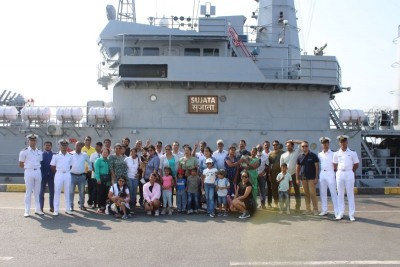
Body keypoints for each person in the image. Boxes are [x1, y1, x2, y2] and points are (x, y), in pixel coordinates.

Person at [333, 135, 359, 222]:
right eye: (341, 142)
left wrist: (350, 171)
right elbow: (334, 164)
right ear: (339, 143)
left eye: (344, 141)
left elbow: (356, 164)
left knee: (350, 194)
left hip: (349, 173)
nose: (343, 143)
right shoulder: (336, 153)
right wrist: (339, 171)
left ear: (347, 142)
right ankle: (340, 213)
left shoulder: (352, 152)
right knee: (340, 194)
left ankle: (351, 214)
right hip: (340, 173)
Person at [19, 134, 43, 217]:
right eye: (31, 140)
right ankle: (27, 211)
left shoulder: (40, 151)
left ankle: (38, 209)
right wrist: (28, 168)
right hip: (29, 172)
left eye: (34, 140)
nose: (33, 142)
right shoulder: (24, 151)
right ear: (28, 141)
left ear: (36, 141)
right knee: (28, 192)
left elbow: (40, 161)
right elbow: (21, 164)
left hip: (38, 172)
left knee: (37, 192)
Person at [50, 139, 73, 216]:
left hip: (67, 174)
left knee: (67, 192)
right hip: (58, 174)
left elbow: (71, 165)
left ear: (67, 146)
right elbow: (52, 166)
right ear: (59, 146)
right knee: (57, 192)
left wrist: (66, 171)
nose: (64, 147)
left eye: (65, 145)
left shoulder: (70, 156)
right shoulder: (55, 155)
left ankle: (68, 209)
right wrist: (57, 172)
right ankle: (56, 210)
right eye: (62, 145)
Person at [296, 141, 319, 215]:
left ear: (308, 146)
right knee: (306, 194)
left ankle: (315, 210)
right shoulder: (299, 157)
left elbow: (317, 167)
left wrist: (316, 177)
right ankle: (308, 209)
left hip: (311, 178)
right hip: (303, 178)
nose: (304, 147)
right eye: (303, 146)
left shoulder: (313, 156)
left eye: (305, 146)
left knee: (313, 194)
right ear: (301, 147)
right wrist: (297, 178)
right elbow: (297, 168)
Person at [280, 139, 303, 213]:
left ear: (293, 146)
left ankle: (297, 207)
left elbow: (302, 142)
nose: (288, 147)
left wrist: (292, 140)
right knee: (286, 192)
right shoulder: (283, 155)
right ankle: (287, 207)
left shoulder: (296, 152)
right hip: (286, 175)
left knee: (297, 191)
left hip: (295, 174)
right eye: (287, 146)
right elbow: (281, 166)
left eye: (289, 145)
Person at [318, 137, 339, 217]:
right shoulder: (320, 154)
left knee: (333, 192)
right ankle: (324, 210)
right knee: (323, 193)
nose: (325, 144)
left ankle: (337, 211)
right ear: (322, 144)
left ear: (328, 144)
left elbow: (336, 163)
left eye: (326, 143)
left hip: (330, 173)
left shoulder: (333, 153)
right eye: (323, 143)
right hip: (322, 173)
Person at [70, 141, 91, 211]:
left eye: (79, 145)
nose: (78, 146)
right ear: (75, 146)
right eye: (77, 145)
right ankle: (70, 205)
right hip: (72, 176)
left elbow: (89, 162)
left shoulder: (84, 154)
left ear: (81, 147)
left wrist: (89, 170)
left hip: (82, 176)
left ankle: (81, 205)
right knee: (71, 192)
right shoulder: (70, 154)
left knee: (82, 192)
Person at [94, 147, 111, 213]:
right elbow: (96, 171)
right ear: (101, 153)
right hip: (100, 179)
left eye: (106, 152)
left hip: (107, 180)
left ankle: (103, 207)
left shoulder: (108, 161)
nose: (105, 153)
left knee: (105, 193)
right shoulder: (98, 160)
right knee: (100, 193)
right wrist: (98, 178)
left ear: (108, 154)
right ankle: (99, 207)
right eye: (104, 152)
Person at [268, 140, 284, 209]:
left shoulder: (283, 153)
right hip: (273, 173)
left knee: (282, 188)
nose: (275, 146)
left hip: (281, 173)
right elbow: (269, 165)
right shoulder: (271, 154)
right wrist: (269, 174)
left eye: (276, 145)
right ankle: (276, 203)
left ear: (278, 145)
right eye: (274, 145)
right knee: (274, 189)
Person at [39, 141, 54, 213]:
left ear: (51, 147)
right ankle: (41, 207)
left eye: (49, 145)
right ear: (44, 146)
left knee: (52, 192)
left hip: (51, 176)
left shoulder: (54, 155)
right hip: (43, 176)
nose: (47, 146)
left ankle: (52, 207)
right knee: (41, 192)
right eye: (46, 145)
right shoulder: (40, 155)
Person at [82, 136, 97, 209]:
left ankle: (90, 202)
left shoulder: (93, 150)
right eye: (86, 140)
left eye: (89, 140)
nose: (88, 141)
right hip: (83, 171)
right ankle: (81, 202)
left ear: (91, 141)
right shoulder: (81, 149)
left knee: (91, 188)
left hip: (90, 171)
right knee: (82, 188)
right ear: (84, 141)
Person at [89, 142, 103, 210]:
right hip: (94, 175)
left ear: (101, 147)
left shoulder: (103, 154)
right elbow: (92, 164)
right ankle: (94, 203)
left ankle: (100, 203)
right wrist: (96, 173)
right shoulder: (93, 155)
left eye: (98, 146)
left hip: (102, 175)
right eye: (96, 146)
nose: (96, 147)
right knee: (95, 190)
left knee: (100, 190)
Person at [256, 144, 269, 209]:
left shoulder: (266, 156)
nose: (259, 149)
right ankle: (254, 204)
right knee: (254, 190)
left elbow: (267, 166)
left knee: (262, 190)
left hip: (262, 175)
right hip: (254, 176)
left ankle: (263, 204)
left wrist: (263, 173)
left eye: (260, 148)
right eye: (258, 148)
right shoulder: (254, 155)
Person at [262, 140, 273, 208]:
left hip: (270, 173)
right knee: (262, 188)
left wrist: (269, 173)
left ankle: (269, 203)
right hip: (262, 173)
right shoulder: (261, 153)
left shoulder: (272, 153)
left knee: (270, 188)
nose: (267, 146)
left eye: (268, 145)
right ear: (263, 146)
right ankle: (262, 203)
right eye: (265, 145)